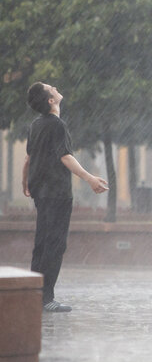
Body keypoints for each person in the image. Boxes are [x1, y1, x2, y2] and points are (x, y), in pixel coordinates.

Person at [22, 82, 108, 313]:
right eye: (51, 88)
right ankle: (46, 297)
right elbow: (66, 157)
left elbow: (28, 158)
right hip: (57, 192)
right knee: (55, 244)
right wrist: (89, 178)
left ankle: (34, 294)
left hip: (40, 191)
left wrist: (24, 181)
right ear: (50, 100)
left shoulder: (36, 125)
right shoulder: (57, 125)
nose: (56, 87)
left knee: (42, 243)